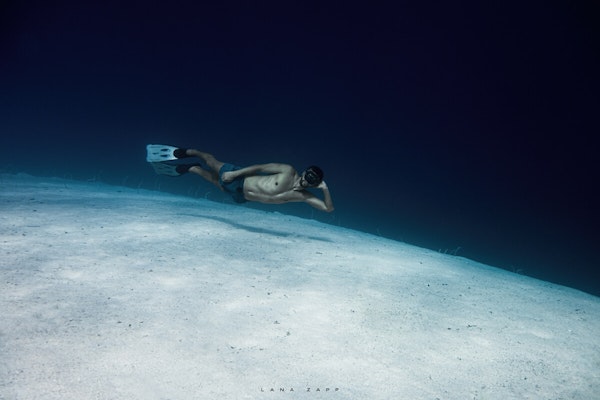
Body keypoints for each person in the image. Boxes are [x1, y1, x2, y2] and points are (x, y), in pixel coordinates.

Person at [146, 144, 334, 212]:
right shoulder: (288, 171)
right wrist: (235, 173)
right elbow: (260, 167)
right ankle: (189, 152)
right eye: (308, 175)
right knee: (210, 161)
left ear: (315, 183)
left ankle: (192, 168)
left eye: (313, 180)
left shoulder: (303, 196)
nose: (307, 180)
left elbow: (328, 209)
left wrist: (325, 189)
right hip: (239, 178)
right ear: (304, 171)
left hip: (241, 197)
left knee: (205, 176)